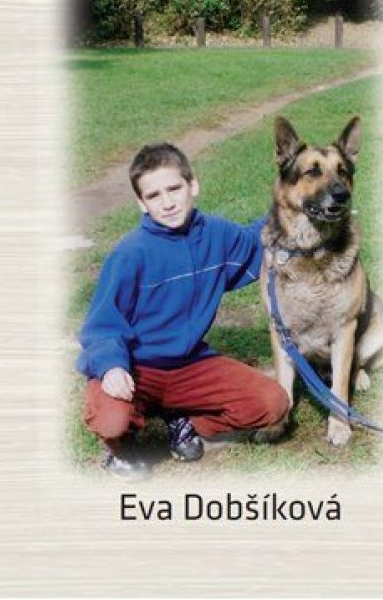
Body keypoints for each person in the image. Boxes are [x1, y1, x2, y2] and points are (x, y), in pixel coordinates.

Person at [77, 142, 289, 479]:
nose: (168, 202)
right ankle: (122, 448)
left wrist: (293, 205)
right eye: (154, 195)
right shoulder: (130, 254)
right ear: (141, 203)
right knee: (112, 419)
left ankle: (183, 421)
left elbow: (255, 239)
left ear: (193, 185)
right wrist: (112, 367)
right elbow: (102, 326)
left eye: (174, 188)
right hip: (137, 367)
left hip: (190, 364)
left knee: (271, 402)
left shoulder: (217, 234)